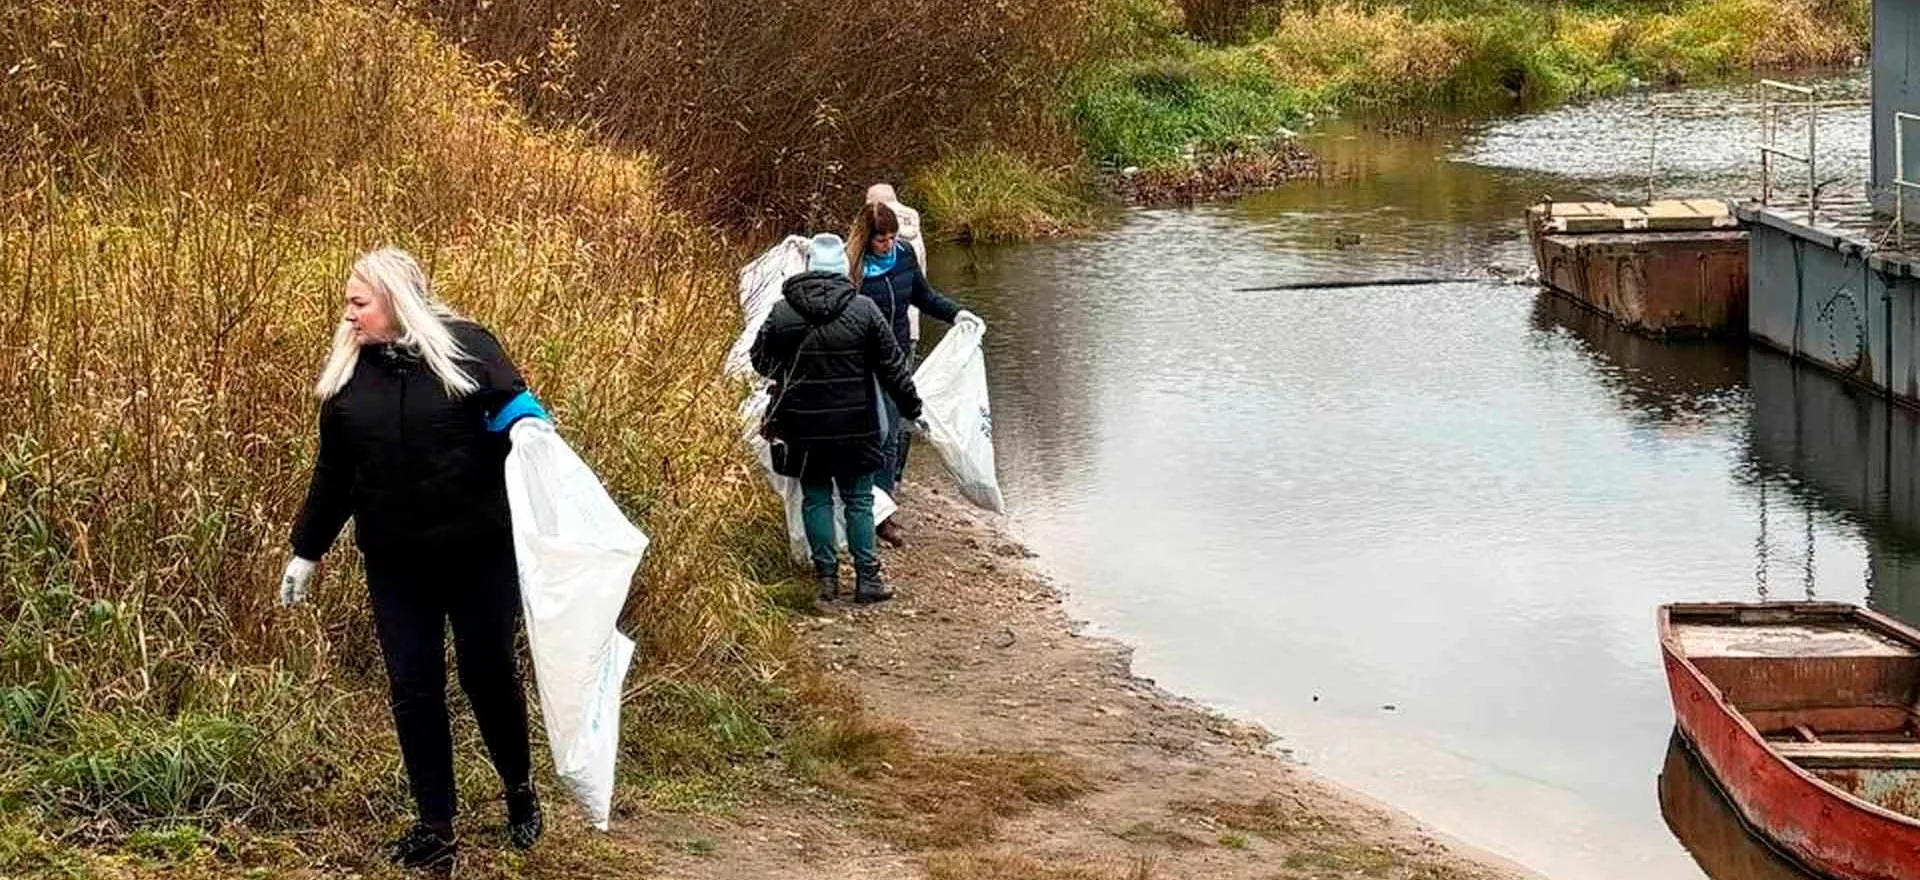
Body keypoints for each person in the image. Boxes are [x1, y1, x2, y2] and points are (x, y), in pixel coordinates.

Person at [277, 247, 549, 871]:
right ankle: (436, 825)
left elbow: (514, 408)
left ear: (396, 301)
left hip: (478, 551)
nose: (348, 315)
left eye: (359, 303)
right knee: (413, 685)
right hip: (396, 562)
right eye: (348, 303)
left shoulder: (468, 347)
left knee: (487, 672)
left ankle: (518, 788)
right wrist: (306, 551)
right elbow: (334, 474)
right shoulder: (348, 380)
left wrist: (530, 428)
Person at [753, 234, 923, 604]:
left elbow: (759, 360)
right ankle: (867, 580)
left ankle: (827, 580)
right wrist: (912, 408)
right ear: (843, 270)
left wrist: (790, 374)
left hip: (802, 426)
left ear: (810, 268)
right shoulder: (864, 309)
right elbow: (893, 367)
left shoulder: (782, 311)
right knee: (858, 500)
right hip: (856, 425)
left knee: (815, 498)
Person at [845, 201, 983, 547]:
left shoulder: (904, 255)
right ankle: (859, 504)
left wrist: (957, 314)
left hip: (898, 357)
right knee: (869, 432)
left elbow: (923, 297)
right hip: (862, 361)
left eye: (893, 238)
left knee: (892, 433)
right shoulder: (852, 269)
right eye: (881, 240)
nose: (888, 245)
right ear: (866, 239)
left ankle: (884, 513)